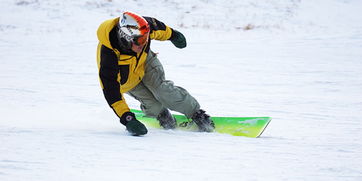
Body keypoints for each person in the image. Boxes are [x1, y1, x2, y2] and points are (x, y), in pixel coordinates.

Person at [96, 11, 214, 136]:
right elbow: (112, 93)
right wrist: (127, 118)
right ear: (126, 39)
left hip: (145, 62)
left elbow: (158, 28)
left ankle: (197, 114)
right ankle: (162, 116)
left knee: (163, 91)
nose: (145, 42)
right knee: (155, 107)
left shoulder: (142, 28)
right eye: (141, 40)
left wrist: (173, 35)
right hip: (128, 80)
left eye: (146, 38)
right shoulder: (108, 58)